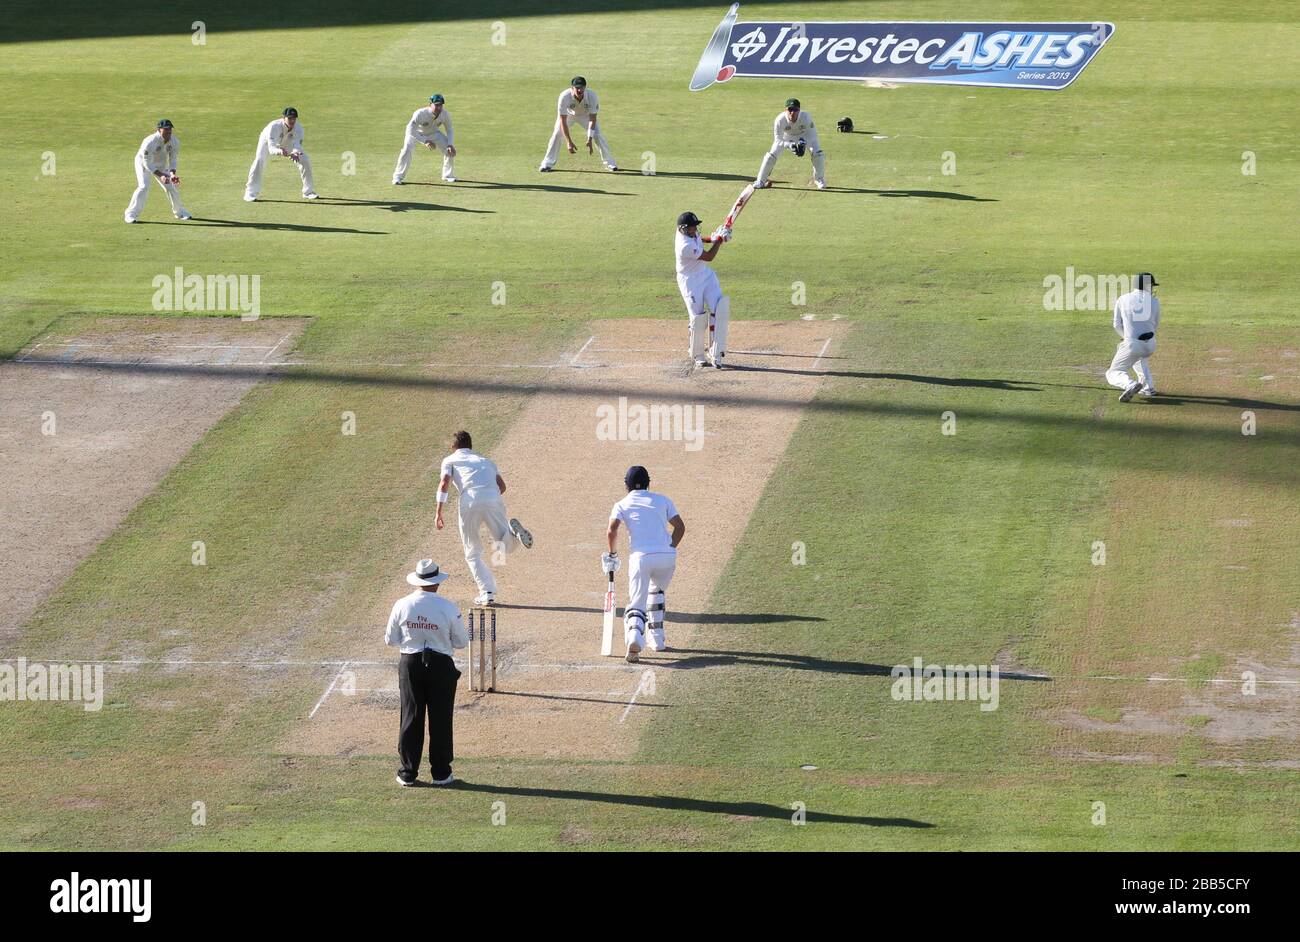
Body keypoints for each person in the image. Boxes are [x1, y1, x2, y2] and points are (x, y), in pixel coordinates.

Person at [385, 559, 467, 786]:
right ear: (437, 583)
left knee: (411, 716)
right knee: (441, 719)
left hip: (410, 664)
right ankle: (441, 773)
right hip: (441, 665)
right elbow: (461, 642)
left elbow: (390, 639)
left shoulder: (402, 604)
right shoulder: (448, 607)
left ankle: (408, 772)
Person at [436, 431, 533, 605]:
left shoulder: (450, 460)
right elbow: (502, 486)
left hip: (470, 501)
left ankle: (486, 592)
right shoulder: (486, 461)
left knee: (472, 552)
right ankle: (512, 533)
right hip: (493, 497)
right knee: (506, 546)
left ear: (453, 446)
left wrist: (439, 513)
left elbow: (444, 483)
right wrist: (490, 498)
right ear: (471, 445)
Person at [604, 466, 686, 662]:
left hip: (641, 558)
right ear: (649, 483)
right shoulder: (662, 499)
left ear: (627, 485)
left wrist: (612, 554)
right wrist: (670, 547)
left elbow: (612, 530)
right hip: (667, 558)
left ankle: (634, 640)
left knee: (637, 602)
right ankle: (657, 641)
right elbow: (680, 527)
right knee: (656, 592)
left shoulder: (621, 504)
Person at [674, 210, 730, 369]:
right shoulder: (684, 246)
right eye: (691, 228)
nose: (694, 230)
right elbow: (709, 256)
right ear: (683, 229)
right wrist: (718, 241)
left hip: (705, 274)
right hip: (690, 281)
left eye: (695, 226)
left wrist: (712, 238)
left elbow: (699, 240)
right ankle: (698, 353)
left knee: (719, 308)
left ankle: (716, 351)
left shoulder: (689, 233)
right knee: (698, 318)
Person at [539, 76, 617, 172]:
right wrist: (569, 142)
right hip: (569, 115)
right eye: (577, 88)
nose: (580, 90)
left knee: (598, 135)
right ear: (572, 88)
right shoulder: (564, 96)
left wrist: (589, 138)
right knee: (557, 135)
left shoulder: (592, 96)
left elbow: (593, 119)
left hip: (586, 116)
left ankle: (610, 163)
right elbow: (563, 120)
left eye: (582, 87)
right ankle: (547, 163)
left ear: (585, 87)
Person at [1106, 273, 1161, 402]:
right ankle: (1148, 387)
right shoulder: (1155, 302)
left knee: (1112, 373)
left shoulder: (1123, 299)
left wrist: (1125, 337)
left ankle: (1130, 384)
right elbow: (1155, 325)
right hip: (1151, 345)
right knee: (1139, 357)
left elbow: (1116, 324)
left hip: (1132, 345)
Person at [244, 107, 318, 202]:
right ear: (284, 118)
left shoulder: (298, 128)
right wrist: (280, 151)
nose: (292, 121)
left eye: (294, 118)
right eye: (289, 118)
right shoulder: (274, 127)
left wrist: (295, 152)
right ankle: (250, 192)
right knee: (259, 160)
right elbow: (271, 149)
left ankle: (308, 192)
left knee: (305, 160)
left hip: (288, 142)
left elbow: (297, 145)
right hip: (267, 142)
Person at [125, 119, 190, 223]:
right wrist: (161, 175)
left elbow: (173, 159)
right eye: (166, 129)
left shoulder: (174, 141)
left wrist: (172, 175)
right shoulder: (149, 141)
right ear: (159, 130)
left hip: (161, 165)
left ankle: (180, 212)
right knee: (143, 186)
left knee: (171, 187)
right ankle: (130, 214)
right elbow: (147, 163)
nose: (169, 131)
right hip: (143, 163)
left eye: (170, 129)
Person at [755, 98, 826, 189]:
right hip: (786, 138)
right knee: (771, 155)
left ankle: (819, 179)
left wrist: (804, 144)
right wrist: (789, 145)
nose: (792, 112)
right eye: (790, 109)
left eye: (795, 110)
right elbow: (777, 140)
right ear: (786, 110)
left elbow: (813, 136)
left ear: (799, 110)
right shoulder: (779, 120)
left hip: (805, 136)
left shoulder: (806, 117)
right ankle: (760, 180)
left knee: (818, 154)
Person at [393, 93, 457, 184]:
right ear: (430, 104)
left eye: (441, 105)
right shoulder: (420, 113)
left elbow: (449, 129)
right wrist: (425, 141)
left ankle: (448, 175)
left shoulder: (445, 114)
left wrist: (450, 144)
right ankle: (397, 177)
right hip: (416, 134)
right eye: (436, 105)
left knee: (449, 148)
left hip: (433, 133)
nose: (439, 107)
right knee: (406, 150)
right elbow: (409, 130)